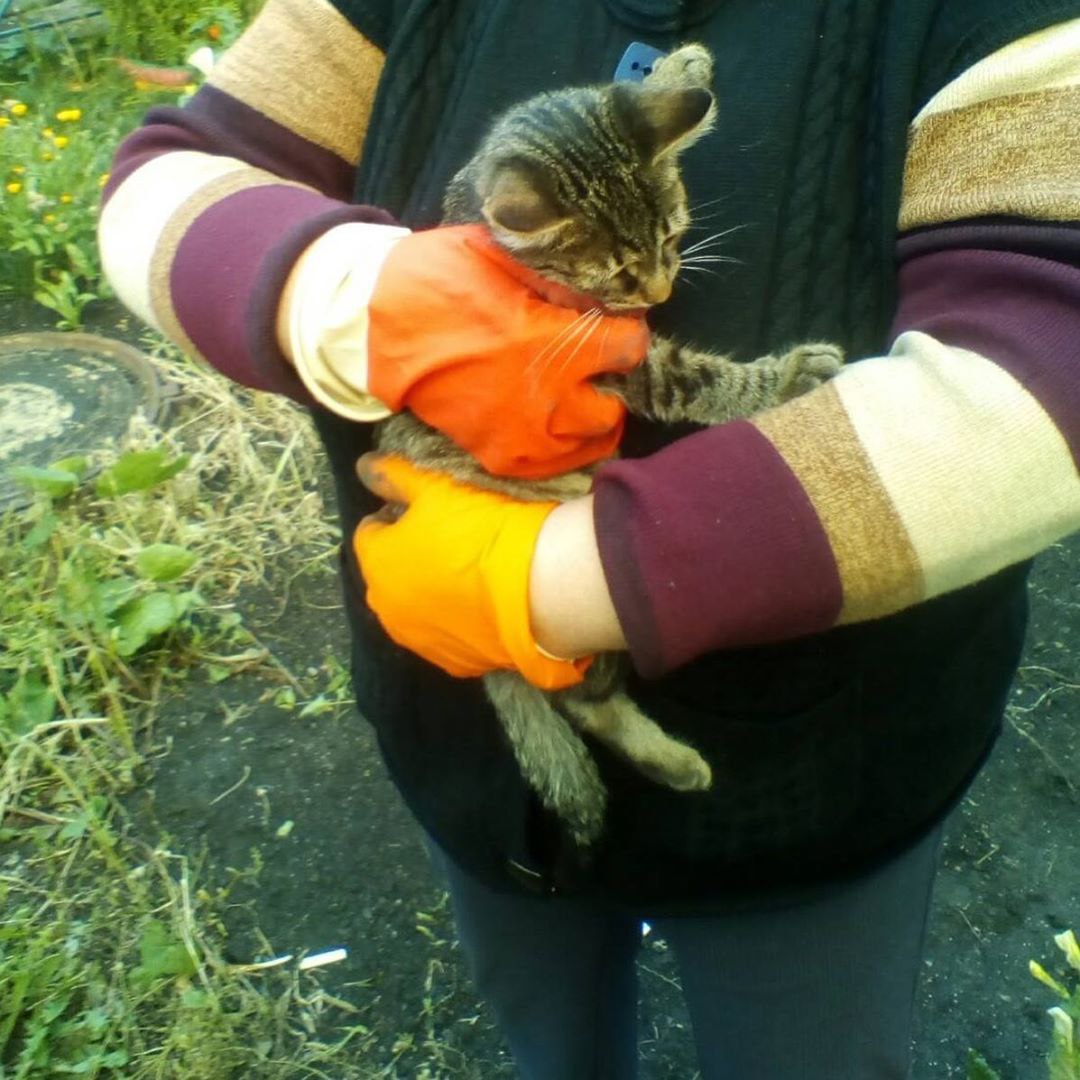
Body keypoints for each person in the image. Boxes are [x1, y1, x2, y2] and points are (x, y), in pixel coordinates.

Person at [99, 1, 1080, 1075]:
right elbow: (173, 164)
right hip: (451, 730)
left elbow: (1046, 377)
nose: (660, 288)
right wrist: (345, 296)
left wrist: (562, 576)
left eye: (666, 253)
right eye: (636, 272)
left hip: (812, 808)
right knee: (546, 1039)